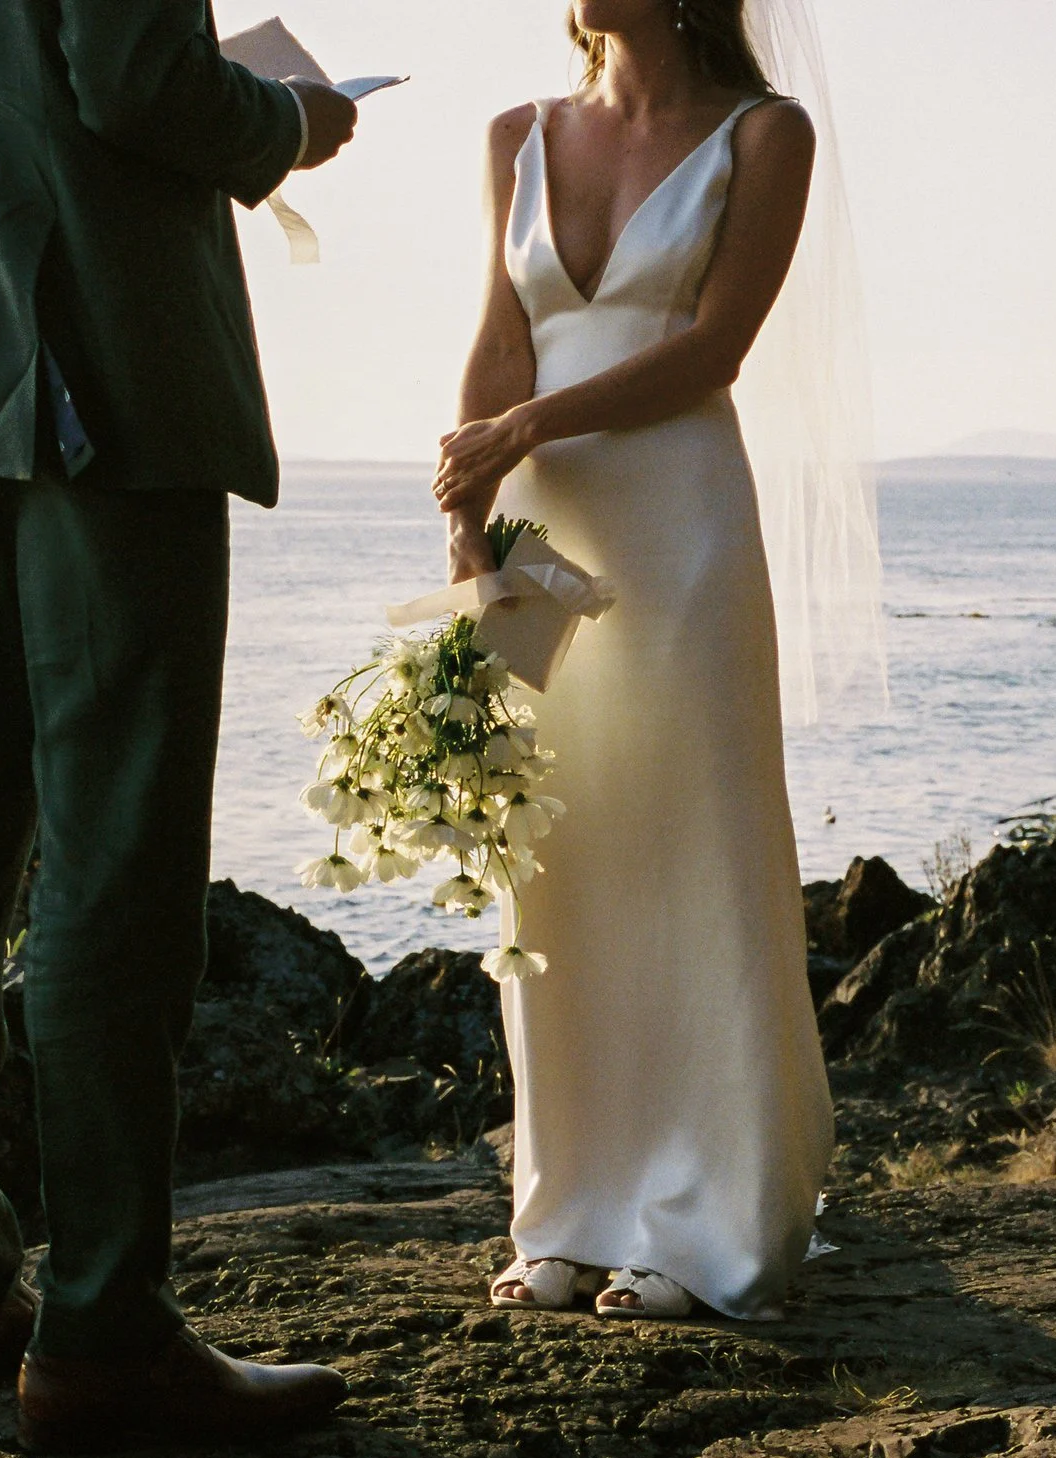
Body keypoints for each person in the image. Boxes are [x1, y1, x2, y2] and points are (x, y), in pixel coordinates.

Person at [0, 0, 359, 1448]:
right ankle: (106, 1328)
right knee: (115, 845)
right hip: (96, 353)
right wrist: (291, 122)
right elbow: (128, 78)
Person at [433, 0, 863, 1321]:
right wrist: (468, 519)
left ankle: (707, 1218)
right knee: (558, 859)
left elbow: (712, 348)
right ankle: (569, 1208)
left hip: (681, 531)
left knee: (694, 846)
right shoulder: (516, 134)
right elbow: (502, 335)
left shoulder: (762, 135)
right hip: (540, 527)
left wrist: (529, 421)